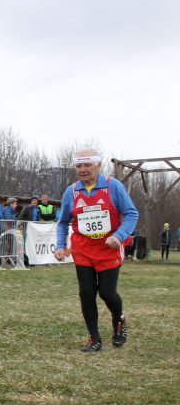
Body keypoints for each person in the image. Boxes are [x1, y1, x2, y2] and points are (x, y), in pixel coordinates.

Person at [55, 148, 138, 352]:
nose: (83, 170)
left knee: (108, 293)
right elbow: (63, 222)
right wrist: (60, 246)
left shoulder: (113, 186)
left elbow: (131, 214)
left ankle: (119, 322)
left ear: (98, 165)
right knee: (86, 293)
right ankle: (95, 339)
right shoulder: (71, 191)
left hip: (108, 250)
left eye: (87, 165)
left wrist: (118, 236)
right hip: (83, 250)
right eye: (78, 166)